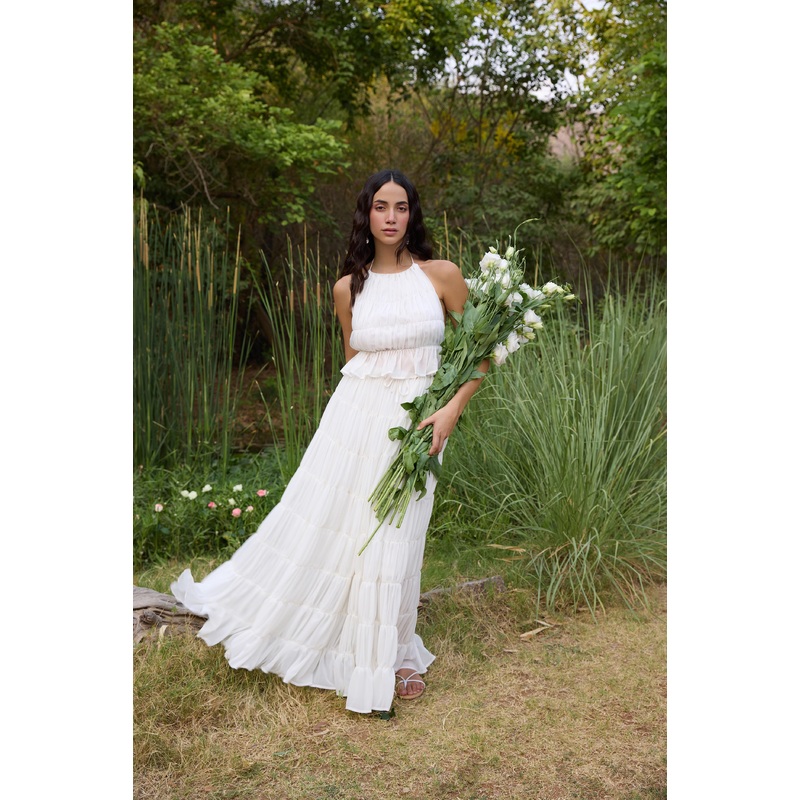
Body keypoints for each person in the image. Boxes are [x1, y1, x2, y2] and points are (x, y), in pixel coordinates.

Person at [171, 169, 487, 713]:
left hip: (420, 423)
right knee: (345, 527)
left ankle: (396, 652)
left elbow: (481, 352)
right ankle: (361, 647)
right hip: (354, 422)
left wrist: (451, 410)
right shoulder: (348, 287)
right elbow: (352, 361)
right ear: (367, 214)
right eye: (381, 206)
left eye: (402, 207)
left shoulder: (441, 276)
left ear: (413, 215)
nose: (391, 217)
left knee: (400, 535)